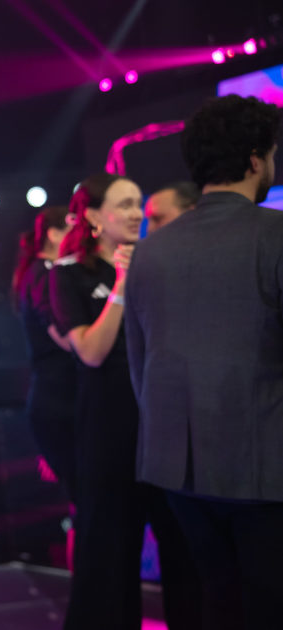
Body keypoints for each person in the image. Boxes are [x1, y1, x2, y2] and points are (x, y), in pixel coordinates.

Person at [124, 94, 283, 629]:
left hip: (177, 469)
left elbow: (138, 364)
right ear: (258, 159)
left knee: (217, 601)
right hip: (265, 468)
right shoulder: (274, 234)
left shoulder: (150, 250)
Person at [50, 173, 198, 630]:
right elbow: (91, 352)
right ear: (94, 216)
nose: (138, 213)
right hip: (108, 429)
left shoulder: (159, 263)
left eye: (140, 204)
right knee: (109, 555)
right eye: (126, 204)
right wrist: (121, 282)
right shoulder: (69, 274)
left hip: (162, 424)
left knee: (185, 549)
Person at [12, 205, 76, 498]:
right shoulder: (46, 273)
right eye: (74, 230)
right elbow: (68, 339)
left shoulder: (40, 271)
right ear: (54, 234)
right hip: (58, 399)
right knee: (88, 502)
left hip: (57, 396)